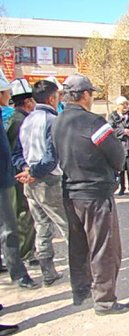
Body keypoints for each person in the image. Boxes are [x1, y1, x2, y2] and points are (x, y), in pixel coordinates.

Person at [52, 74, 129, 315]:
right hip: (95, 194)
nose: (92, 98)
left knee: (78, 245)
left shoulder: (58, 121)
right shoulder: (93, 123)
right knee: (104, 248)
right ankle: (105, 301)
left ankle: (81, 291)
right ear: (84, 95)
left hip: (70, 192)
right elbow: (118, 158)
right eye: (92, 94)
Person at [11, 80, 68, 287]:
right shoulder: (53, 120)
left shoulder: (27, 120)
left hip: (30, 183)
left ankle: (48, 272)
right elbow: (51, 157)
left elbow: (16, 153)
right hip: (49, 181)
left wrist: (26, 170)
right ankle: (82, 274)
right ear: (52, 98)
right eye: (58, 96)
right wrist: (33, 172)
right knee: (68, 227)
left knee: (42, 227)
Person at [0, 70, 38, 289]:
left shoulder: (9, 117)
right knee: (11, 225)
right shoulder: (18, 121)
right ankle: (19, 270)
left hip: (9, 176)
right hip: (10, 179)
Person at [7, 78, 37, 266]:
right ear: (27, 102)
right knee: (24, 213)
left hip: (14, 174)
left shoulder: (15, 118)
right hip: (19, 175)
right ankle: (25, 253)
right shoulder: (21, 121)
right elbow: (16, 151)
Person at [108, 96, 129, 196]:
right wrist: (123, 131)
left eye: (127, 104)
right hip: (119, 145)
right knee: (121, 168)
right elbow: (111, 129)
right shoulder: (113, 116)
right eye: (123, 104)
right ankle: (122, 188)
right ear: (118, 106)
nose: (126, 106)